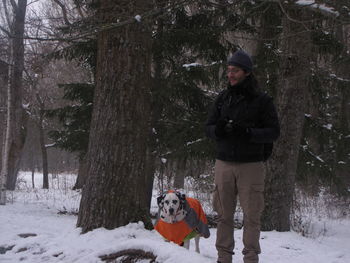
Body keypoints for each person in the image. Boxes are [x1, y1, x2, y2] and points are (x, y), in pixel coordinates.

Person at [205, 50, 280, 263]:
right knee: (223, 215)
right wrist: (218, 130)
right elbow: (208, 128)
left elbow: (274, 132)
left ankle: (251, 258)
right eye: (228, 70)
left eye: (235, 71)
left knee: (252, 216)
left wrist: (247, 133)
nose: (230, 75)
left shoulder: (262, 101)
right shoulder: (222, 98)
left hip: (251, 166)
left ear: (246, 72)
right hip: (224, 164)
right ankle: (223, 257)